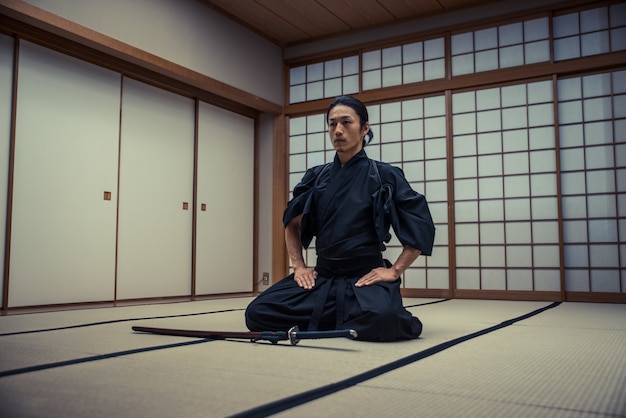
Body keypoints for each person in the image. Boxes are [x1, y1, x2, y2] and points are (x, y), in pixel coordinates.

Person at [245, 95, 435, 342]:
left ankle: (341, 315)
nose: (338, 130)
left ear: (365, 128)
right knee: (257, 312)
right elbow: (292, 223)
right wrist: (299, 266)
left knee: (386, 319)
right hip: (323, 276)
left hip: (365, 277)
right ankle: (349, 319)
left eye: (346, 122)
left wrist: (395, 270)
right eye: (332, 124)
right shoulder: (316, 176)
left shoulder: (385, 175)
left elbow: (420, 224)